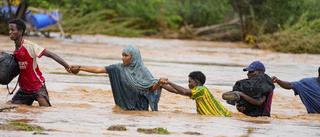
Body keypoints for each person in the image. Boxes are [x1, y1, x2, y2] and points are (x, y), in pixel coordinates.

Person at [70, 45, 163, 111]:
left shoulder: (143, 71)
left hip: (140, 111)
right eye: (122, 55)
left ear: (134, 57)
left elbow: (151, 88)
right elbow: (98, 69)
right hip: (123, 109)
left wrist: (158, 83)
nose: (123, 58)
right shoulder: (118, 68)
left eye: (126, 55)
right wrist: (80, 67)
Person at [8, 19, 71, 107]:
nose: (10, 32)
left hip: (37, 87)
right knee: (11, 109)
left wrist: (67, 67)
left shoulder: (29, 46)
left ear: (20, 32)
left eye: (12, 30)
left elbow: (51, 54)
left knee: (46, 110)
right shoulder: (15, 50)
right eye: (9, 30)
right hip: (24, 89)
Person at [159, 71, 231, 116]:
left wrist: (168, 82)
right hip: (219, 116)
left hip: (220, 116)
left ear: (196, 82)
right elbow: (178, 92)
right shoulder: (198, 91)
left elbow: (184, 91)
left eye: (189, 82)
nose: (188, 85)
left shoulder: (201, 89)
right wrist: (161, 85)